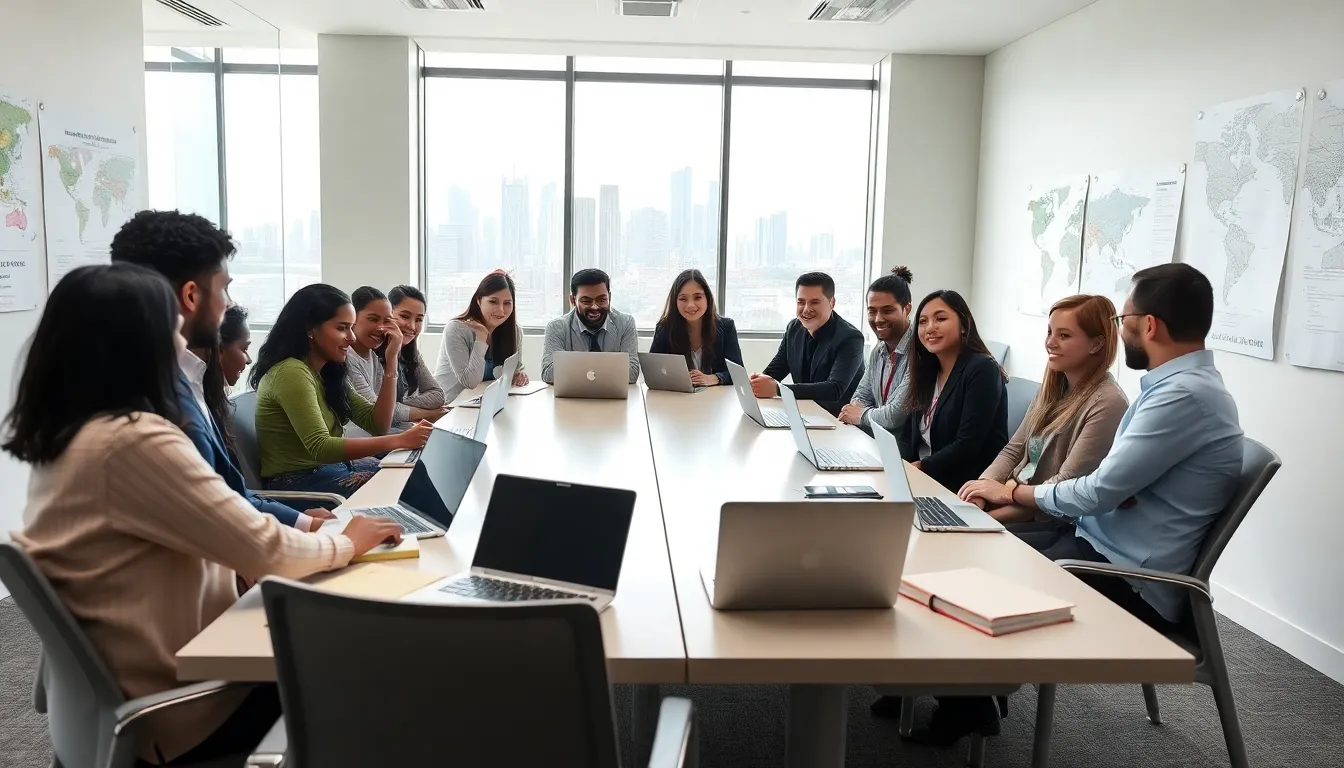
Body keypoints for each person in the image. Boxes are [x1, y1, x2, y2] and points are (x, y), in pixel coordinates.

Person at [4, 263, 403, 765]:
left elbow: (212, 534)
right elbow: (265, 548)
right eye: (173, 330)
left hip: (135, 682)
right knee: (366, 676)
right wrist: (350, 541)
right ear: (142, 343)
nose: (184, 348)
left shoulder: (69, 436)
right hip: (186, 704)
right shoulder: (133, 441)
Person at [921, 265, 1243, 747]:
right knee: (968, 556)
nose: (1122, 328)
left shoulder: (1182, 397)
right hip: (1094, 540)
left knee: (980, 577)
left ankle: (971, 699)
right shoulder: (1167, 389)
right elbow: (1106, 487)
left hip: (1127, 577)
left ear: (1149, 325)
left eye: (1125, 317)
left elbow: (1094, 490)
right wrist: (1106, 489)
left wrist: (1016, 494)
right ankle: (970, 696)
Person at [109, 210, 324, 532]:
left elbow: (224, 491)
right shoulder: (156, 401)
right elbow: (216, 518)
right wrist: (329, 540)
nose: (228, 303)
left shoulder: (183, 378)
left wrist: (301, 522)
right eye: (224, 289)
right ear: (191, 296)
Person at [957, 294, 1129, 524]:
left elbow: (1062, 488)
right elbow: (1013, 450)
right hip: (1012, 499)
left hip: (1046, 519)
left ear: (1096, 344)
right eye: (1050, 332)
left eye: (1064, 335)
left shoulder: (1108, 403)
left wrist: (986, 518)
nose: (1050, 342)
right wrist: (979, 493)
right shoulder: (1054, 387)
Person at [250, 284, 432, 496]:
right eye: (341, 328)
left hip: (329, 469)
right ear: (310, 329)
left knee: (415, 472)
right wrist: (400, 439)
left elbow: (378, 425)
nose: (352, 337)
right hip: (299, 481)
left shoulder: (327, 371)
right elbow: (321, 447)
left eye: (351, 327)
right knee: (403, 486)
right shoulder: (291, 372)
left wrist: (391, 361)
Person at [896, 289, 1009, 493]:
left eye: (940, 318)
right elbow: (907, 435)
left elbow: (967, 445)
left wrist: (920, 468)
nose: (930, 328)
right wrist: (897, 465)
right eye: (923, 321)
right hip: (924, 480)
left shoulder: (982, 369)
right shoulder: (927, 370)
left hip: (962, 487)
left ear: (963, 324)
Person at [750, 272, 864, 417]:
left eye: (815, 302)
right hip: (804, 415)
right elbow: (775, 371)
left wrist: (778, 390)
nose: (806, 309)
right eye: (801, 302)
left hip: (837, 422)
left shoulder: (850, 338)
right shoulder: (794, 328)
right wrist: (758, 381)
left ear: (832, 303)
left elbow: (834, 389)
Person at [346, 286, 448, 429]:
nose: (412, 326)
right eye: (405, 316)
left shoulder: (379, 354)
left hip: (393, 432)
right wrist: (424, 413)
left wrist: (397, 405)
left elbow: (438, 395)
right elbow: (378, 413)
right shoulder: (372, 352)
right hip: (375, 439)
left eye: (419, 319)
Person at [839, 266, 916, 434]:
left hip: (906, 450)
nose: (878, 319)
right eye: (872, 311)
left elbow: (894, 416)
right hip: (877, 439)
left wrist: (861, 415)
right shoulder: (879, 350)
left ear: (907, 309)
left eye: (887, 311)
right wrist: (860, 412)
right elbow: (860, 397)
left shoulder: (919, 350)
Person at [436, 270, 530, 400]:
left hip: (487, 403)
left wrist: (519, 375)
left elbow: (513, 371)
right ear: (479, 300)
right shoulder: (456, 329)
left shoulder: (514, 331)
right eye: (493, 302)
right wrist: (480, 340)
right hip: (452, 405)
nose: (501, 310)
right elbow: (470, 382)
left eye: (507, 303)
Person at [541, 268, 639, 384]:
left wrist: (571, 365)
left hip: (611, 398)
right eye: (586, 301)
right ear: (572, 300)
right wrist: (612, 366)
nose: (595, 307)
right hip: (573, 397)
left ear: (610, 298)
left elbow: (632, 373)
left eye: (601, 300)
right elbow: (548, 373)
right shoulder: (557, 327)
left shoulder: (625, 323)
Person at [649, 269, 743, 386]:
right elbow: (652, 372)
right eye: (683, 299)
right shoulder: (664, 328)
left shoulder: (726, 327)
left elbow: (738, 374)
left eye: (697, 297)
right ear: (675, 302)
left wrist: (714, 378)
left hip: (716, 399)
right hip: (678, 398)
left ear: (707, 299)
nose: (690, 305)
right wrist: (677, 379)